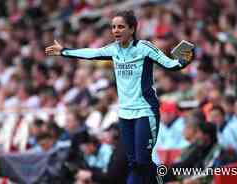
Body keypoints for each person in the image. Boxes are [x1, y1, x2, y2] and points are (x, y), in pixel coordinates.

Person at [45, 10, 194, 184]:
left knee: (143, 160)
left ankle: (173, 176)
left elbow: (171, 64)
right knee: (133, 163)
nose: (116, 30)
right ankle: (169, 177)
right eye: (114, 27)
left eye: (121, 27)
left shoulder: (144, 48)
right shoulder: (113, 50)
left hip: (145, 111)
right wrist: (64, 51)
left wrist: (184, 60)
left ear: (132, 29)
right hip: (125, 114)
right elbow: (91, 53)